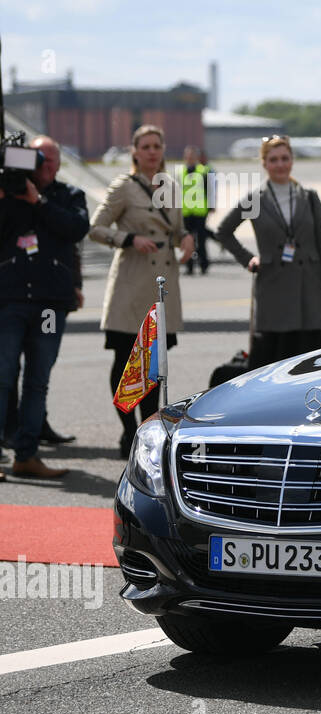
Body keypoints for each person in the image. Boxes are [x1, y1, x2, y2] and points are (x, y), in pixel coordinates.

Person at [89, 125, 194, 458]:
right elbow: (96, 227)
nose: (151, 152)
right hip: (132, 282)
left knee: (155, 363)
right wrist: (128, 239)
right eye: (145, 146)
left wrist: (186, 238)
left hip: (162, 281)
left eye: (157, 146)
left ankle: (147, 429)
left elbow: (176, 229)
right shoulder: (123, 187)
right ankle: (126, 430)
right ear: (134, 152)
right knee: (126, 360)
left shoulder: (172, 187)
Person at [0, 138, 90, 479]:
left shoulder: (70, 196)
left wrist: (37, 201)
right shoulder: (8, 193)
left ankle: (27, 454)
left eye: (51, 159)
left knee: (39, 379)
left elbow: (76, 228)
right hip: (9, 301)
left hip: (50, 307)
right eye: (38, 160)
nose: (45, 165)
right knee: (3, 377)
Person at [215, 135, 321, 369]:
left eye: (285, 158)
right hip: (274, 289)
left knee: (312, 362)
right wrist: (248, 259)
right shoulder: (255, 199)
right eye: (273, 159)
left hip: (310, 291)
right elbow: (223, 231)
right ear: (264, 163)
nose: (280, 164)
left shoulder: (309, 197)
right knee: (273, 363)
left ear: (292, 160)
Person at [175, 145, 212, 275]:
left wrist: (211, 206)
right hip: (185, 211)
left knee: (201, 240)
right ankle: (189, 266)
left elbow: (210, 191)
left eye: (192, 156)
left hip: (200, 211)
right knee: (187, 239)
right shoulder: (180, 172)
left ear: (197, 157)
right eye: (188, 156)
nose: (190, 158)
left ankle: (204, 264)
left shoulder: (204, 171)